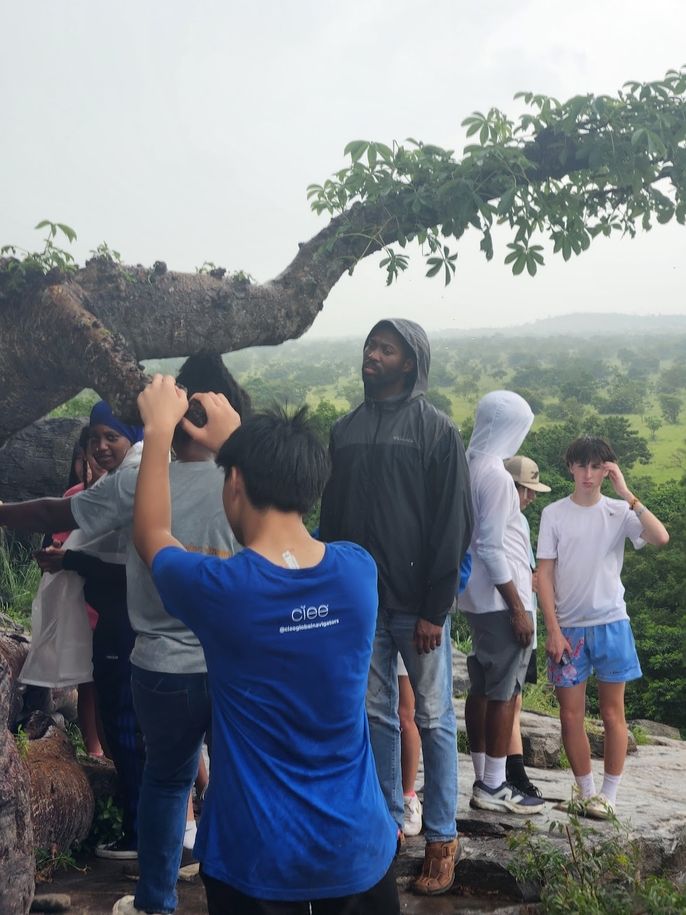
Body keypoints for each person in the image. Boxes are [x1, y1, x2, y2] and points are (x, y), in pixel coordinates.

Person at [132, 376, 400, 915]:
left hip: (255, 856)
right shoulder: (357, 572)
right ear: (310, 485)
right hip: (358, 848)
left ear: (234, 485)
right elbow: (294, 549)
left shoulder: (222, 591)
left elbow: (152, 535)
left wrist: (159, 431)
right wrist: (241, 449)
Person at [319, 319, 472, 896]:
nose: (372, 355)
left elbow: (453, 524)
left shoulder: (436, 431)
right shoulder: (345, 429)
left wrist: (436, 607)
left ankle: (441, 836)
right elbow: (331, 524)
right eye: (370, 346)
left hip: (418, 607)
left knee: (432, 716)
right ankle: (386, 824)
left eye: (386, 349)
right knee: (376, 714)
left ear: (410, 363)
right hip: (361, 604)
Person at [22, 403, 146, 857]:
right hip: (121, 627)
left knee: (129, 732)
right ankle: (149, 829)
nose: (100, 445)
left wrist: (70, 560)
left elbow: (129, 572)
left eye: (111, 436)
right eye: (94, 437)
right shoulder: (131, 478)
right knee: (126, 730)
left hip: (126, 629)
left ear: (131, 437)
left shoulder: (129, 484)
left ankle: (140, 834)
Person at [537, 436, 669, 819]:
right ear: (570, 468)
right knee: (569, 716)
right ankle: (586, 791)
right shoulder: (554, 514)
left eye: (597, 467)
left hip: (612, 622)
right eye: (582, 466)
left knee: (613, 714)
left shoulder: (619, 511)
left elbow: (660, 537)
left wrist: (626, 493)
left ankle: (609, 797)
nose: (588, 474)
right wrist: (553, 628)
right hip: (569, 629)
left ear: (607, 470)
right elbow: (544, 575)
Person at [459, 391, 545, 815]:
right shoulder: (494, 474)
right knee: (502, 694)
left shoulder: (470, 464)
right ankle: (493, 785)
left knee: (484, 688)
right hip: (499, 598)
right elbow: (491, 547)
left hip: (478, 596)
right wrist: (517, 606)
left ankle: (483, 775)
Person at [503, 454, 551, 798]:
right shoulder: (499, 520)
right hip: (511, 616)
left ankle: (513, 770)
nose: (530, 497)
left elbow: (529, 573)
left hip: (527, 613)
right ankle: (510, 772)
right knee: (507, 699)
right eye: (525, 489)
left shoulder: (519, 521)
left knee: (515, 700)